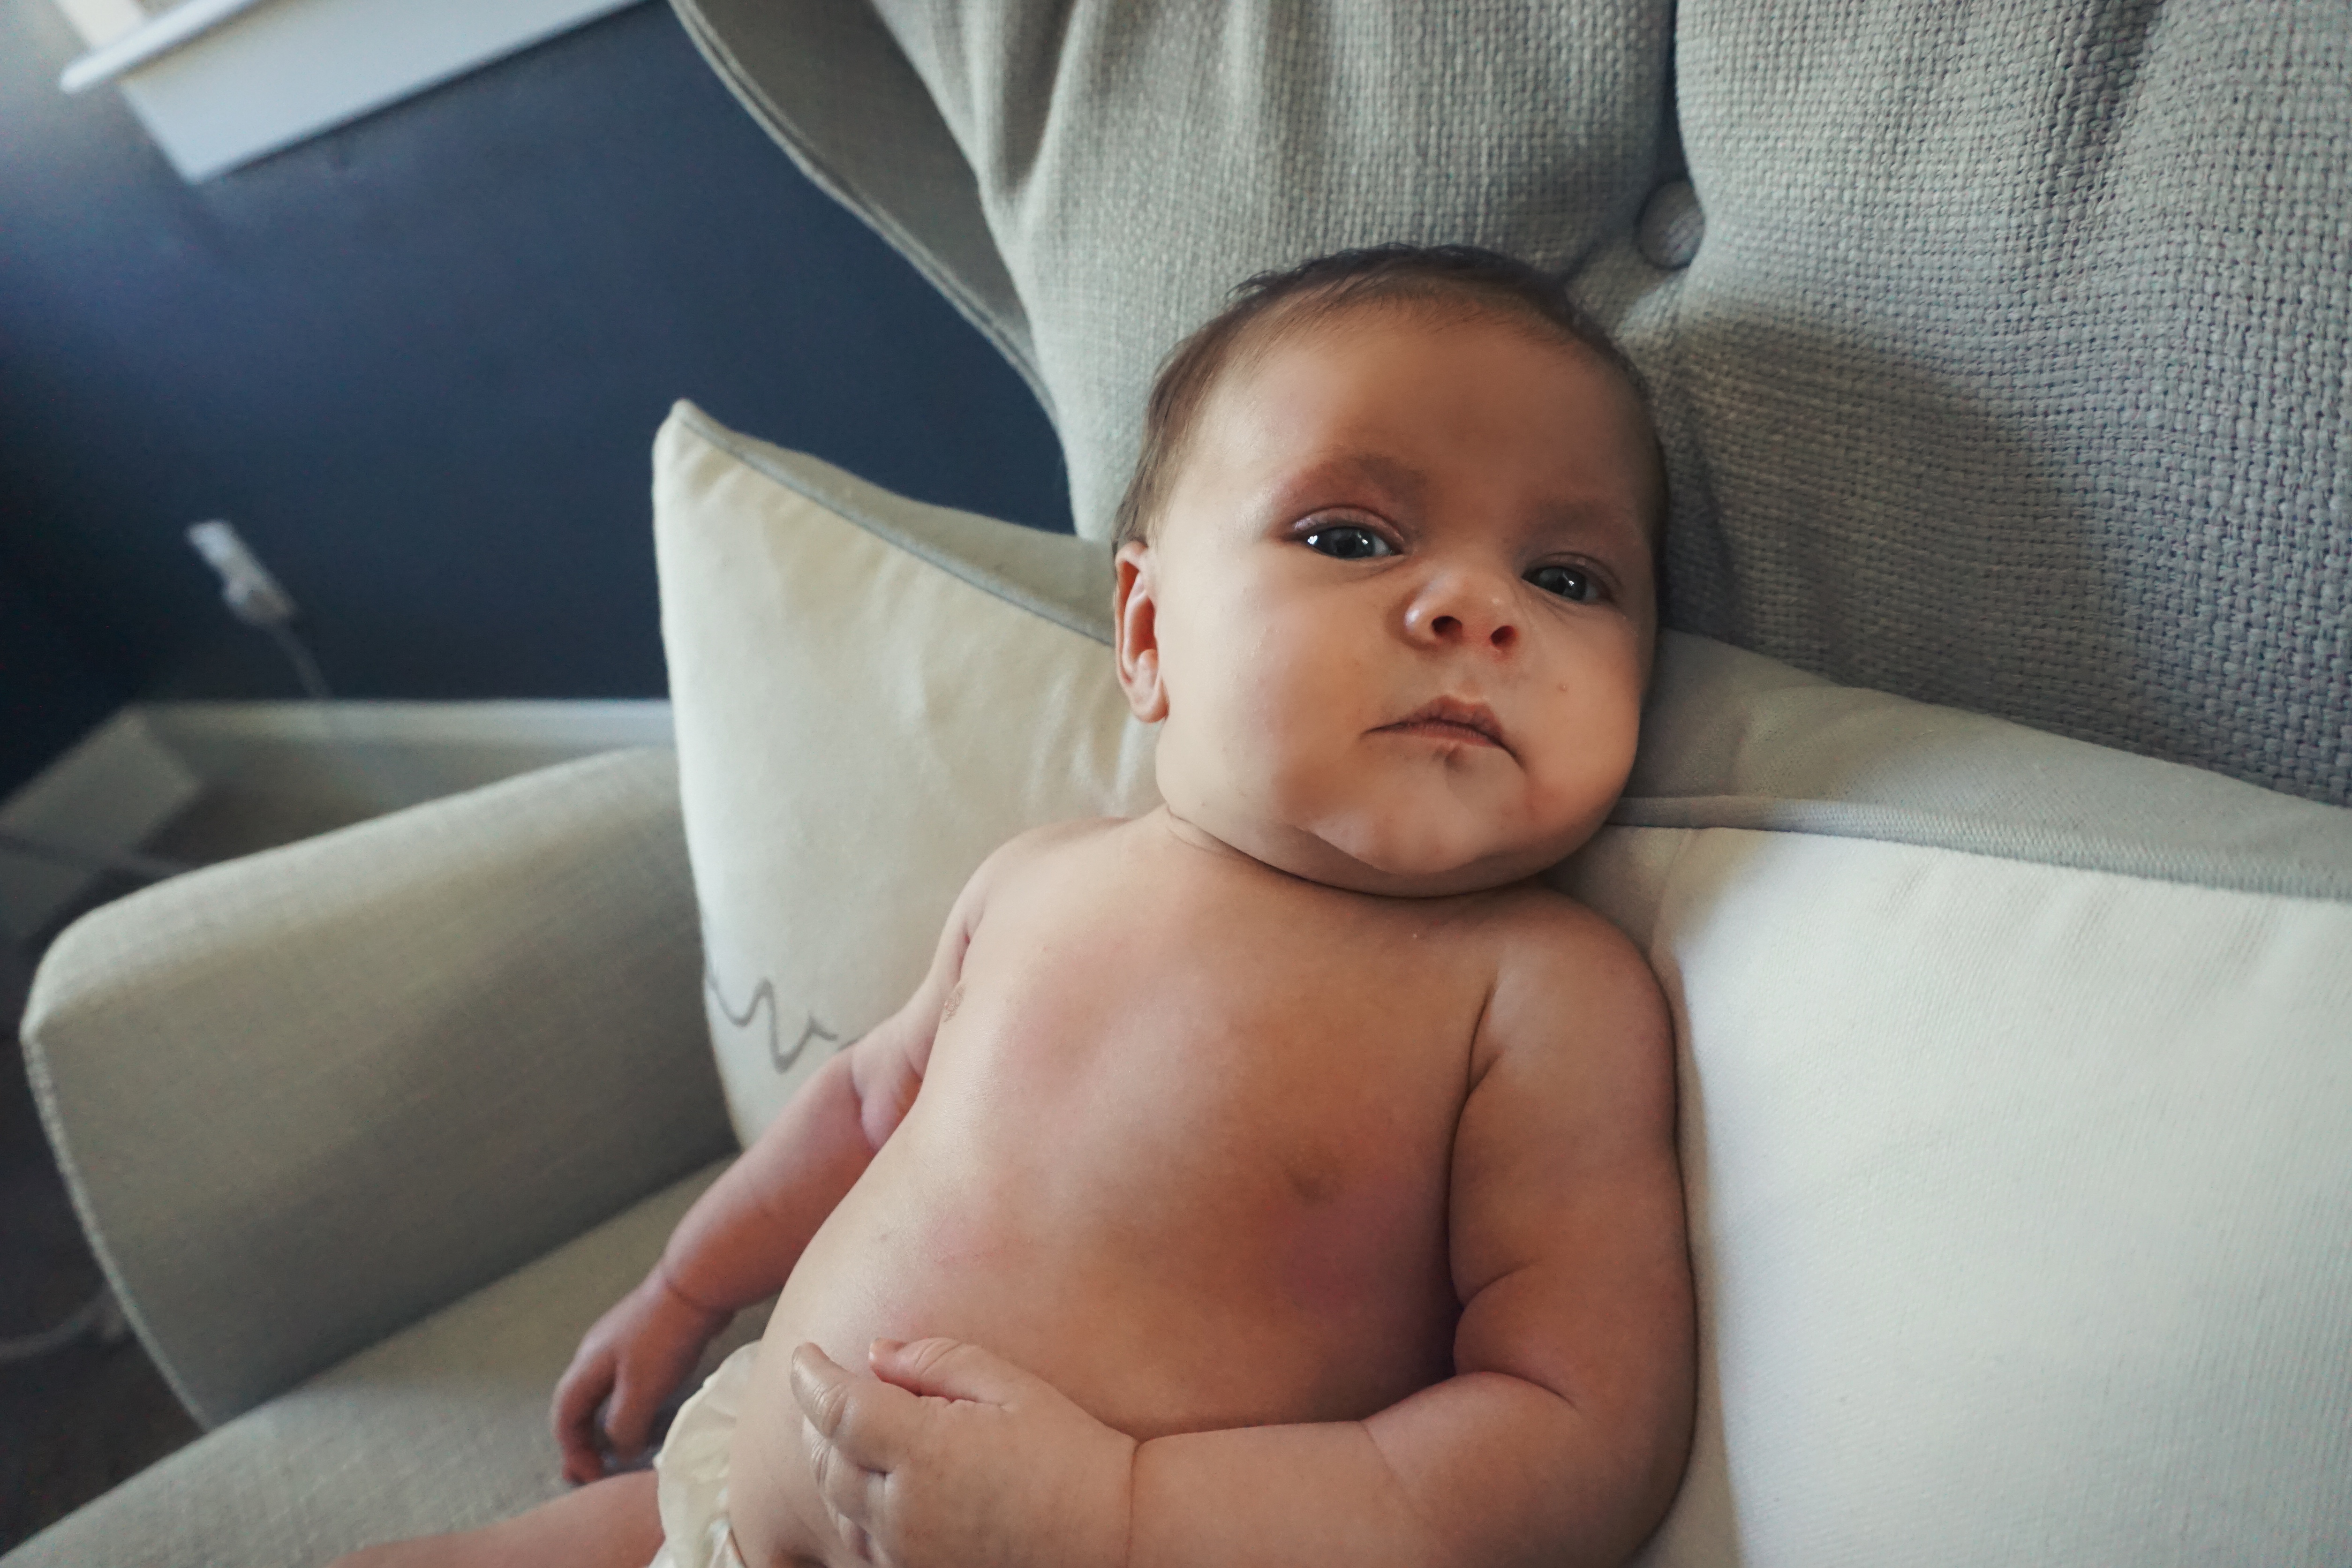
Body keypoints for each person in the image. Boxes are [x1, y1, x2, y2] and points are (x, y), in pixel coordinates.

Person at [335, 243, 1695, 1568]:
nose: (1476, 608)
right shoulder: (1041, 877)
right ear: (1148, 633)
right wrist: (686, 1289)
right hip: (733, 1507)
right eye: (1351, 536)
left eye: (1567, 579)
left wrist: (1125, 1514)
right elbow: (863, 1110)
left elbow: (1576, 1438)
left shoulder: (1540, 995)